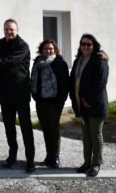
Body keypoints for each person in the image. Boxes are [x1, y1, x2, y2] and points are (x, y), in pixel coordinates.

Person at [0, 18, 35, 173]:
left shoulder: (23, 46)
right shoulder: (2, 44)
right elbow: (2, 69)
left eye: (11, 29)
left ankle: (30, 160)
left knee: (26, 128)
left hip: (20, 94)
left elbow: (9, 62)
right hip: (5, 94)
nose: (9, 32)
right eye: (6, 29)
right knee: (9, 128)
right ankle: (12, 156)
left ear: (17, 30)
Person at [70, 33, 109, 177]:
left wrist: (88, 99)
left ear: (94, 46)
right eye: (83, 44)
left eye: (89, 44)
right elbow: (73, 81)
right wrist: (76, 99)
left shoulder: (99, 60)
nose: (85, 46)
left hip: (95, 105)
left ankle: (96, 164)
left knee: (95, 135)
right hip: (82, 105)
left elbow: (100, 82)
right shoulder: (78, 60)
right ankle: (87, 162)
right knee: (86, 136)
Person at [30, 39, 69, 168]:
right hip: (41, 101)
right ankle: (49, 155)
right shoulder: (37, 62)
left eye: (51, 48)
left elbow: (64, 85)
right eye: (46, 48)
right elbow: (33, 79)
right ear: (41, 50)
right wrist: (35, 96)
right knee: (46, 129)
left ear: (55, 49)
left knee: (54, 129)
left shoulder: (60, 63)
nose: (48, 50)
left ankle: (56, 156)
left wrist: (60, 102)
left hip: (54, 102)